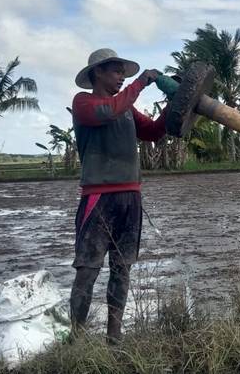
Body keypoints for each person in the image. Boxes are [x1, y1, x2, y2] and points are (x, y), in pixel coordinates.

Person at [69, 48, 167, 343]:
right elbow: (108, 111)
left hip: (130, 198)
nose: (122, 77)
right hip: (99, 197)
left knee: (122, 267)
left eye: (124, 72)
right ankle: (74, 337)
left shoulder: (126, 109)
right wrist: (142, 82)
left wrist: (175, 106)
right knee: (88, 268)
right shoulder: (84, 103)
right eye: (116, 71)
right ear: (98, 72)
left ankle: (114, 336)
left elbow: (152, 132)